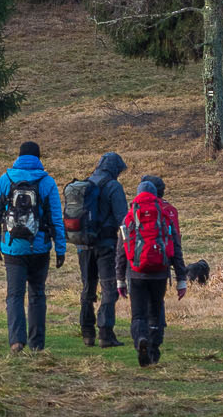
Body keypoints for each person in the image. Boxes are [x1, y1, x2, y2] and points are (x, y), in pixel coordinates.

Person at [0, 140, 65, 353]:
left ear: (18, 156)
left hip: (12, 248)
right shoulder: (47, 182)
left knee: (14, 295)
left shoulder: (6, 180)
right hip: (40, 248)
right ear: (38, 158)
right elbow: (57, 219)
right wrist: (60, 249)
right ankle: (37, 344)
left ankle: (16, 341)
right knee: (37, 294)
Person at [122, 175, 187, 367]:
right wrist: (181, 278)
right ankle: (154, 348)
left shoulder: (130, 215)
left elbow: (121, 249)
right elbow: (175, 246)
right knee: (156, 309)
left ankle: (140, 338)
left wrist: (119, 279)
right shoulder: (166, 213)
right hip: (160, 271)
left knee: (138, 314)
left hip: (136, 273)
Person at [77, 152, 128, 349]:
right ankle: (105, 333)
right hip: (106, 245)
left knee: (88, 287)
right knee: (109, 289)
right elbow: (122, 218)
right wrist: (127, 245)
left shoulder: (86, 183)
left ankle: (87, 332)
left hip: (83, 245)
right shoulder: (113, 186)